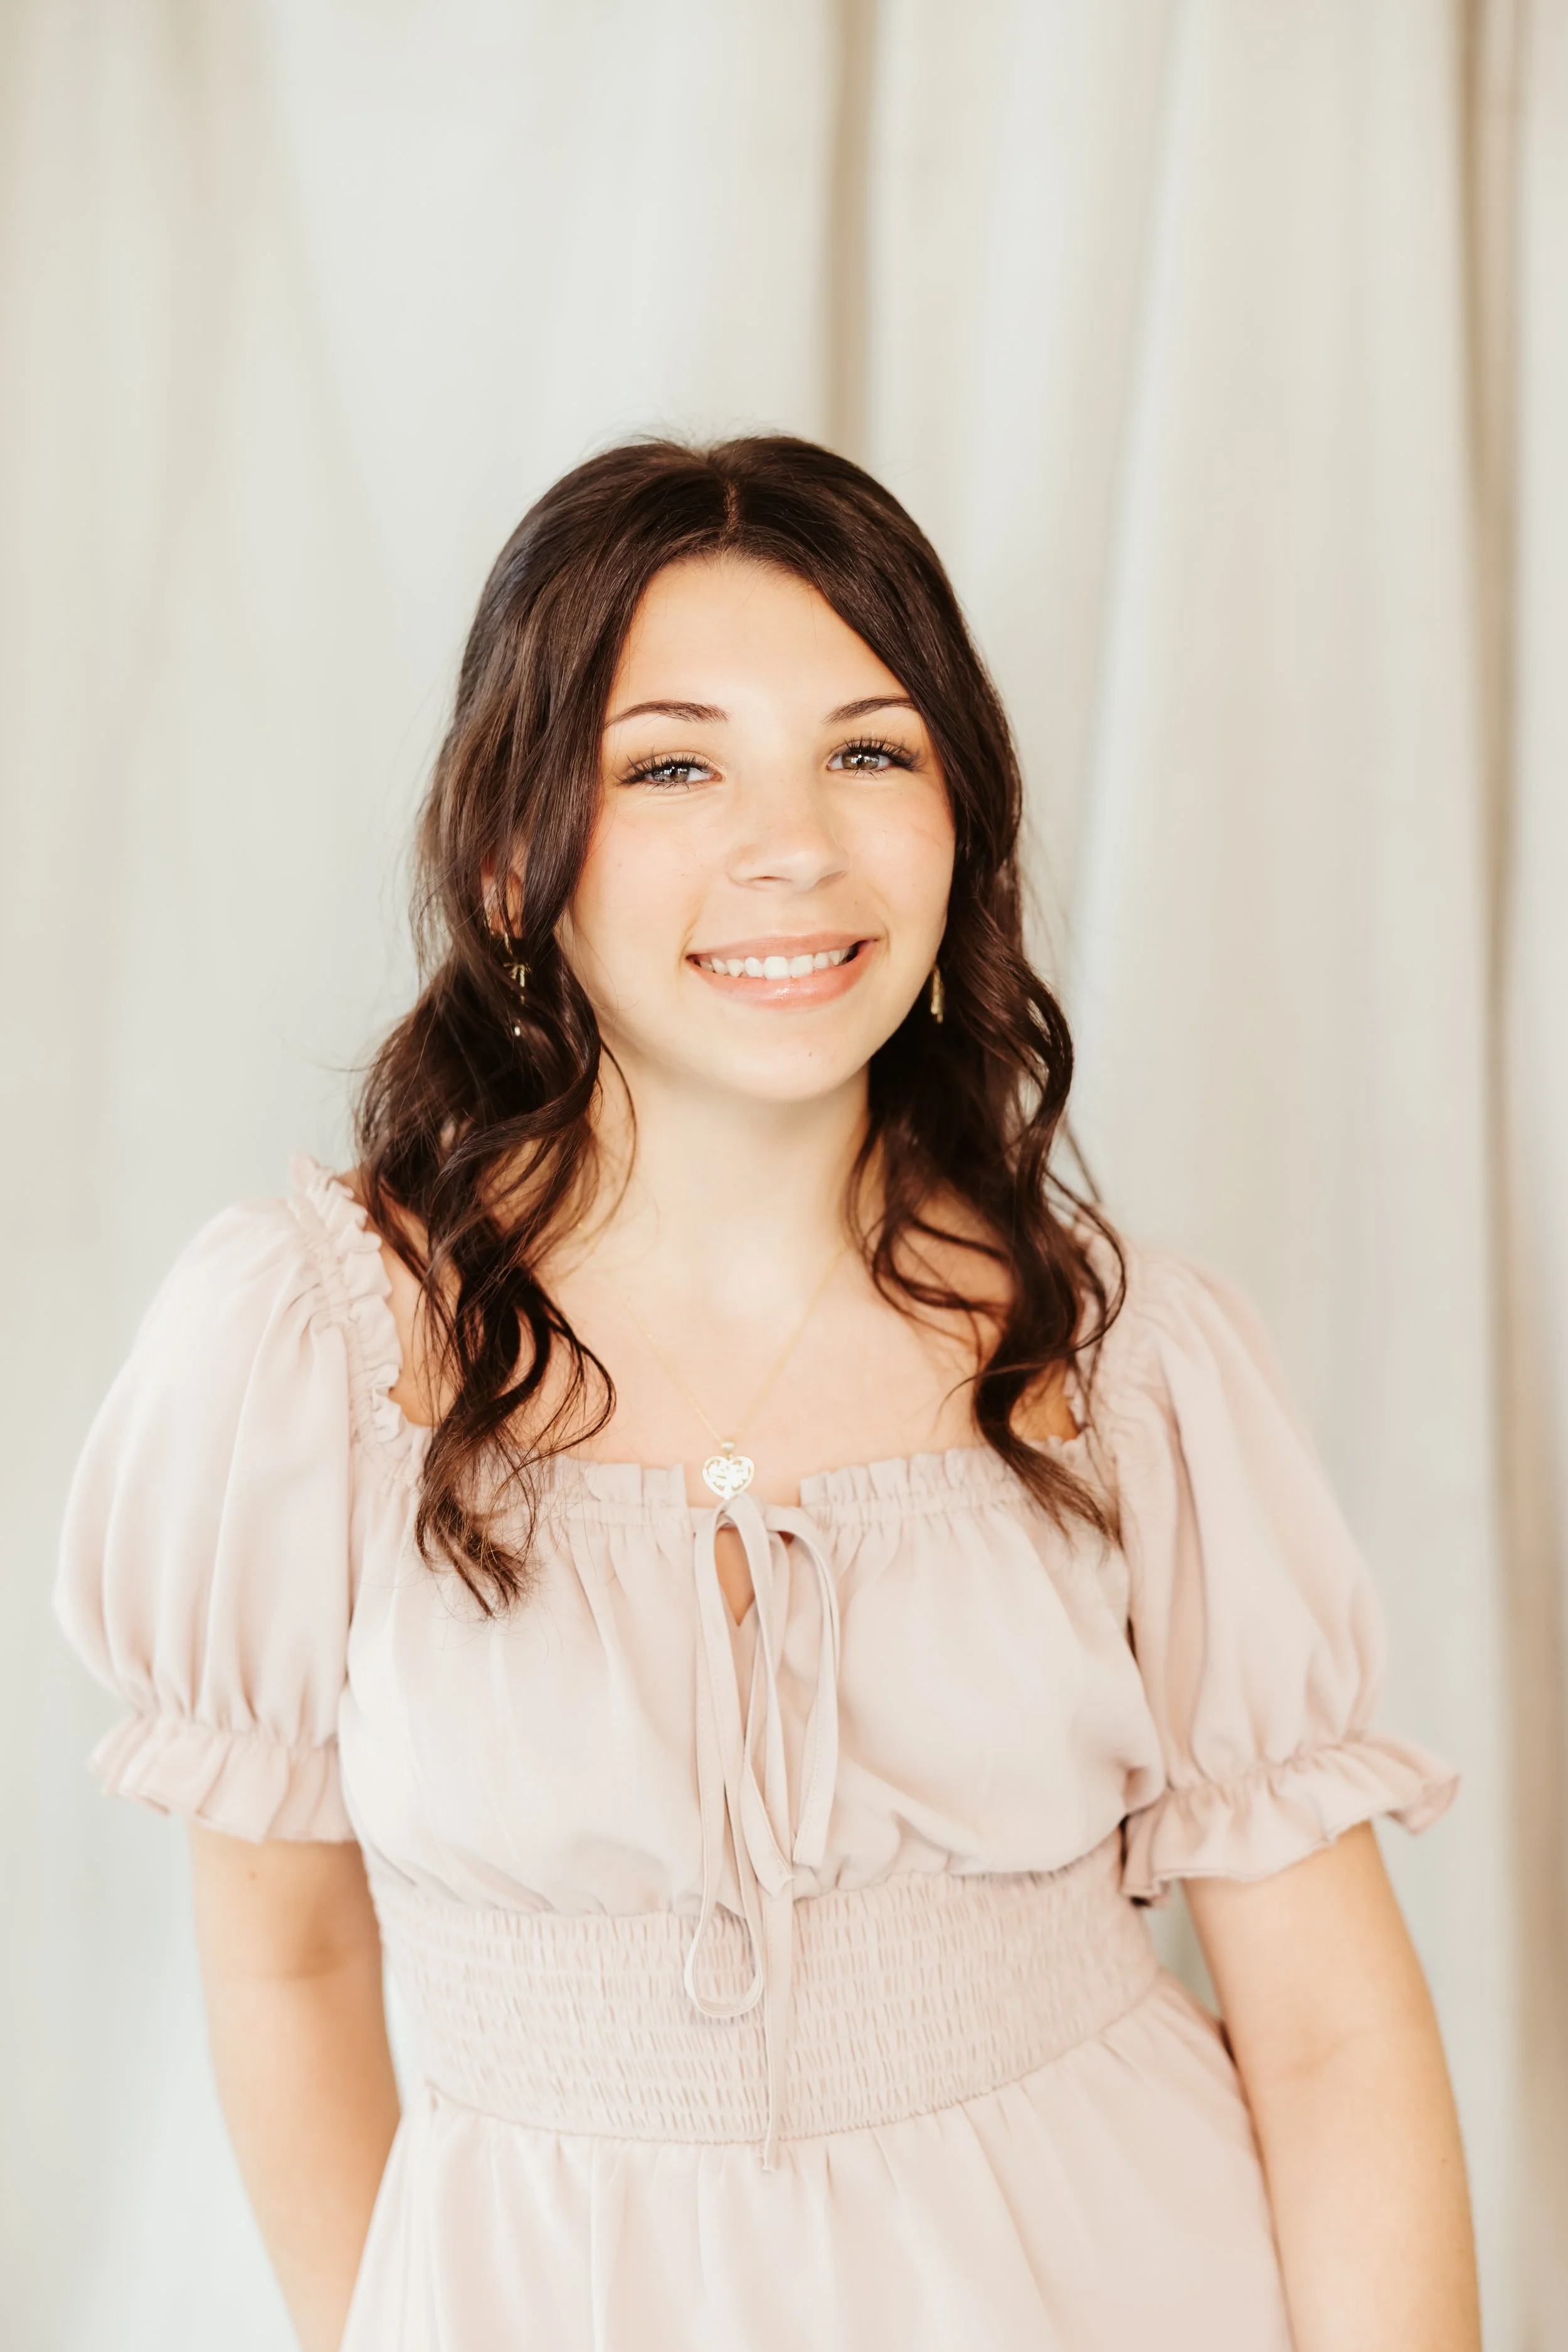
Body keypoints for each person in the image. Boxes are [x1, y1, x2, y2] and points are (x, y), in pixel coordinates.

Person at [56, 435, 1479, 2352]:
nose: (792, 842)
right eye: (672, 765)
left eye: (869, 750)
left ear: (960, 813)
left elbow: (1325, 2030)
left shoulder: (1126, 1362)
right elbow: (291, 1966)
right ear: (509, 853)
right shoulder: (310, 1351)